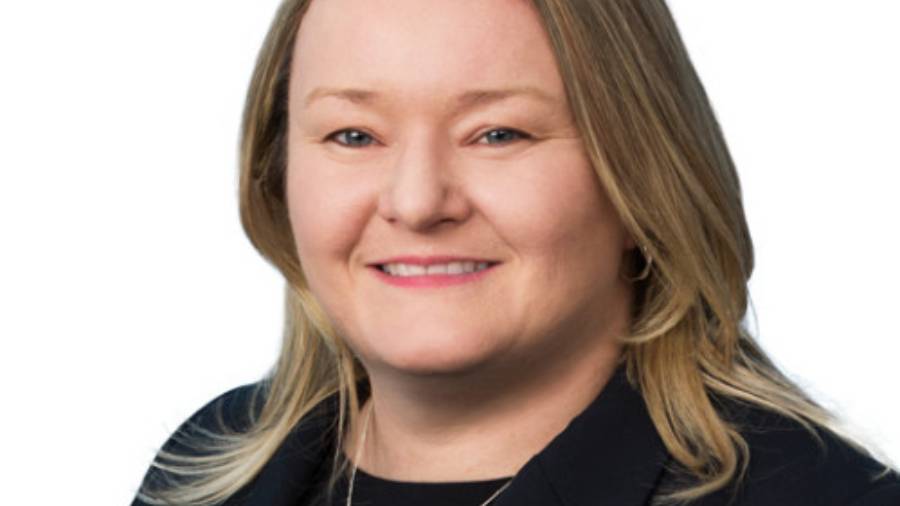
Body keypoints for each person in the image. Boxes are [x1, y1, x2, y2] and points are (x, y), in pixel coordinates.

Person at [132, 1, 900, 505]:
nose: (418, 201)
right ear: (278, 175)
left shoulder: (824, 495)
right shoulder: (208, 467)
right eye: (353, 136)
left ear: (640, 178)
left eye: (499, 134)